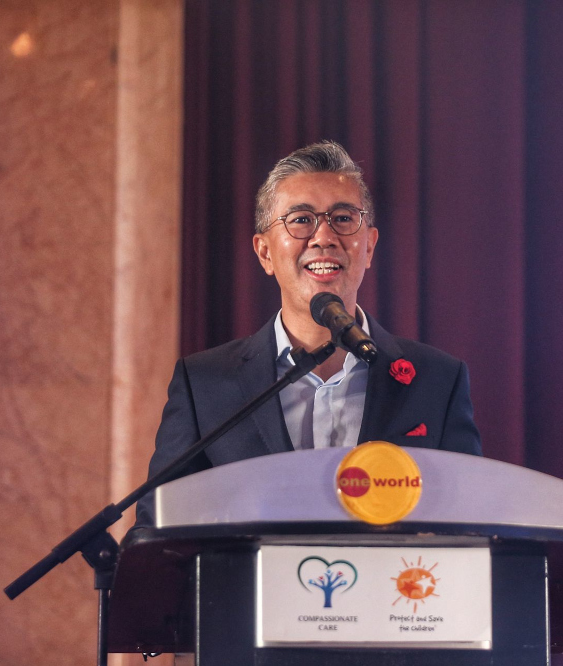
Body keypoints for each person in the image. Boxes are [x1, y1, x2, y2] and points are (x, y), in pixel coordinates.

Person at [135, 141, 481, 526]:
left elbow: (469, 519)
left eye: (344, 218)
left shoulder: (437, 380)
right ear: (265, 252)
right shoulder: (205, 384)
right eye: (301, 220)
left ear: (368, 246)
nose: (324, 237)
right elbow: (159, 528)